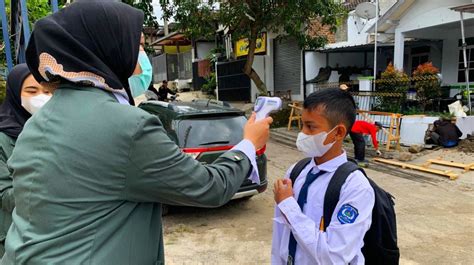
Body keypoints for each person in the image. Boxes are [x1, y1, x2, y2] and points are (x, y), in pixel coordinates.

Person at [1, 2, 272, 264]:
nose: (141, 52)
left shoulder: (38, 121)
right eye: (136, 43)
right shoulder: (128, 125)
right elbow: (211, 187)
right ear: (105, 46)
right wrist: (248, 144)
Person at [272, 89, 375, 264]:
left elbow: (334, 256)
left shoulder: (355, 187)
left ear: (338, 133)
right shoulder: (296, 172)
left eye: (311, 127)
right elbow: (281, 236)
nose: (302, 133)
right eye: (302, 125)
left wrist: (289, 206)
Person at [0, 64, 52, 256]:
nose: (42, 97)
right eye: (32, 91)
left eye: (47, 91)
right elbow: (4, 195)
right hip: (15, 239)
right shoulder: (3, 138)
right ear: (14, 94)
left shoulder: (58, 131)